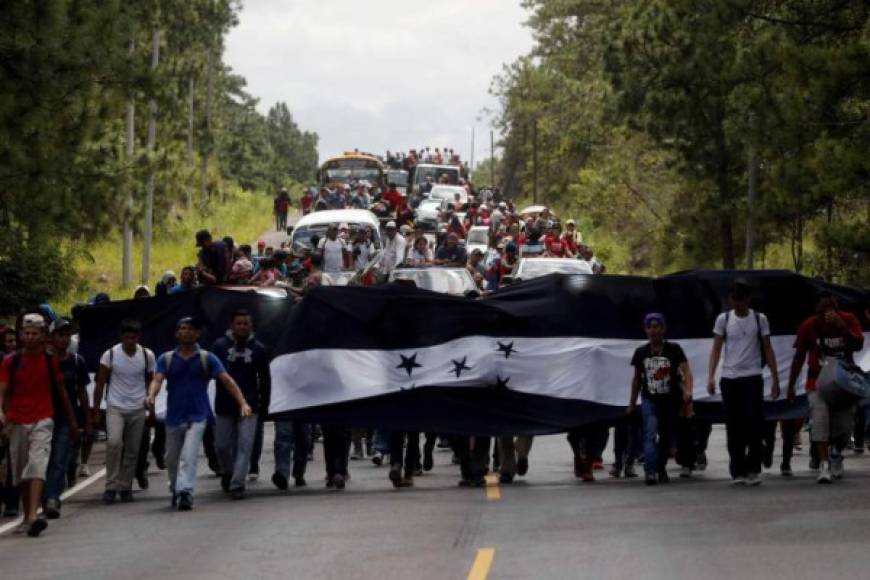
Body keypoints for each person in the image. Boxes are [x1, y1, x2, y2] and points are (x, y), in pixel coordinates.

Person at [145, 317, 252, 511]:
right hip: (174, 417)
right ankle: (176, 487)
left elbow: (227, 381)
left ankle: (186, 491)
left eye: (191, 329)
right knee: (171, 458)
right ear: (177, 333)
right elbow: (157, 380)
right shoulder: (166, 359)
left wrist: (242, 402)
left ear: (197, 334)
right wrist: (151, 395)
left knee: (189, 454)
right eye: (183, 328)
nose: (187, 332)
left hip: (199, 415)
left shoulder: (207, 358)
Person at [0, 312, 78, 537]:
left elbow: (62, 391)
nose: (31, 337)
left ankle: (33, 515)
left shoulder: (49, 361)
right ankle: (27, 516)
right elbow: (2, 391)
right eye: (27, 333)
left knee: (37, 466)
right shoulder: (10, 362)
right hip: (16, 421)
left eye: (35, 333)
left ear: (44, 336)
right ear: (22, 336)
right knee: (23, 472)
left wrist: (72, 422)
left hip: (43, 419)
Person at [707, 279, 780, 486]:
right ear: (730, 299)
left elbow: (767, 347)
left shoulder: (759, 319)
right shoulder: (724, 319)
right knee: (734, 426)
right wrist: (711, 376)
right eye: (734, 299)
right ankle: (737, 469)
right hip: (730, 378)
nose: (738, 303)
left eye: (742, 299)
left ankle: (753, 467)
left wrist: (775, 378)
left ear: (748, 299)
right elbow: (716, 348)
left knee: (754, 424)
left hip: (752, 377)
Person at [786, 290, 864, 483]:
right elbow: (798, 358)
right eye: (824, 307)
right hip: (817, 382)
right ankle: (823, 464)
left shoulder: (849, 319)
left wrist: (843, 327)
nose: (829, 311)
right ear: (817, 308)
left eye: (832, 306)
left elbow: (858, 345)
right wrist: (791, 385)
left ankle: (836, 453)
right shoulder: (808, 326)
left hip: (843, 384)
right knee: (820, 421)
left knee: (844, 427)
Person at [93, 320, 155, 504]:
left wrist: (150, 407)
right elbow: (100, 383)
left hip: (137, 407)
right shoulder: (110, 355)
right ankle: (111, 485)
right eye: (127, 337)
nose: (130, 341)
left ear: (138, 337)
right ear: (121, 337)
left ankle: (125, 486)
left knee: (132, 450)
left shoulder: (146, 355)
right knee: (113, 443)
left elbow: (150, 382)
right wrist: (96, 410)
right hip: (115, 406)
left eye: (133, 338)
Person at [211, 310, 270, 500]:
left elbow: (265, 379)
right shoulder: (219, 347)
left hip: (250, 405)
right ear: (231, 325)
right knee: (221, 445)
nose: (242, 327)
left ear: (251, 326)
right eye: (238, 323)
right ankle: (228, 472)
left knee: (245, 445)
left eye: (245, 323)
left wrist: (264, 405)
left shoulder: (259, 349)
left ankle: (237, 483)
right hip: (224, 404)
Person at [627, 313, 693, 485]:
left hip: (671, 400)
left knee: (666, 436)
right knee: (649, 433)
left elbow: (686, 371)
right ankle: (650, 471)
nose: (653, 330)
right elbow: (636, 379)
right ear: (645, 330)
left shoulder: (674, 349)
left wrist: (688, 391)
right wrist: (632, 403)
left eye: (656, 326)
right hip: (650, 398)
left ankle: (661, 467)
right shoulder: (641, 352)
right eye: (649, 327)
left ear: (663, 329)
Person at [43, 319, 92, 519]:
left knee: (59, 458)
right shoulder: (43, 361)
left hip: (67, 416)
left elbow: (82, 392)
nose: (64, 339)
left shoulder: (76, 361)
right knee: (42, 459)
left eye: (67, 335)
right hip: (42, 414)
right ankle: (44, 495)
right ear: (51, 337)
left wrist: (87, 421)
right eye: (60, 335)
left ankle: (52, 498)